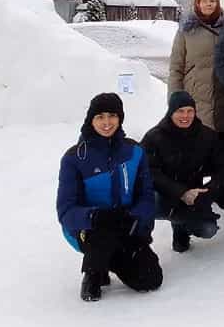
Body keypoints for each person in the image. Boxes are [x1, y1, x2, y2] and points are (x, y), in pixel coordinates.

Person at [56, 93, 161, 302]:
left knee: (149, 279)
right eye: (100, 116)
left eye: (112, 115)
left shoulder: (135, 151)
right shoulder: (75, 158)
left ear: (120, 118)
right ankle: (94, 271)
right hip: (90, 229)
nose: (106, 122)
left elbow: (147, 195)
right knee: (103, 233)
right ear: (91, 120)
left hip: (125, 222)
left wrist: (137, 220)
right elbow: (66, 211)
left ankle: (108, 259)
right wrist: (94, 217)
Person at [141, 91, 224, 253]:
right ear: (171, 112)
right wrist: (180, 192)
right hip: (164, 193)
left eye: (190, 111)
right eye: (180, 111)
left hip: (195, 195)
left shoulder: (207, 136)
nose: (185, 116)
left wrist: (206, 192)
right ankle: (139, 244)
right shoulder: (154, 137)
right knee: (142, 206)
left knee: (208, 229)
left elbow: (223, 168)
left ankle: (181, 228)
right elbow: (148, 172)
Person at [168, 0, 224, 133]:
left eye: (212, 1)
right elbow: (176, 68)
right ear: (197, 3)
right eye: (204, 1)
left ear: (218, 2)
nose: (208, 4)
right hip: (195, 97)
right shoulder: (186, 30)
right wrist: (174, 100)